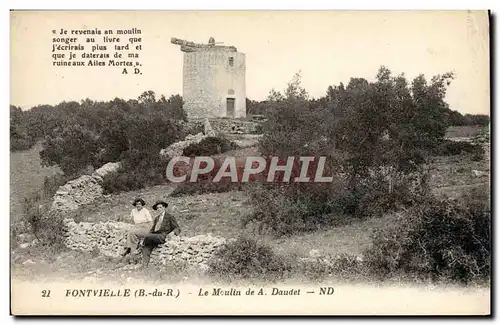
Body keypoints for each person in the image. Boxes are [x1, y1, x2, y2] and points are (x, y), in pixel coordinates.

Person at [141, 200, 181, 267]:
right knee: (146, 248)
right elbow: (152, 230)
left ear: (164, 207)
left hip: (162, 236)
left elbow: (177, 228)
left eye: (160, 207)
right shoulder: (157, 218)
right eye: (157, 208)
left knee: (147, 237)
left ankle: (141, 244)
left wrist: (172, 233)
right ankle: (144, 266)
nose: (159, 209)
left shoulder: (169, 217)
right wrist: (147, 236)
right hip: (154, 237)